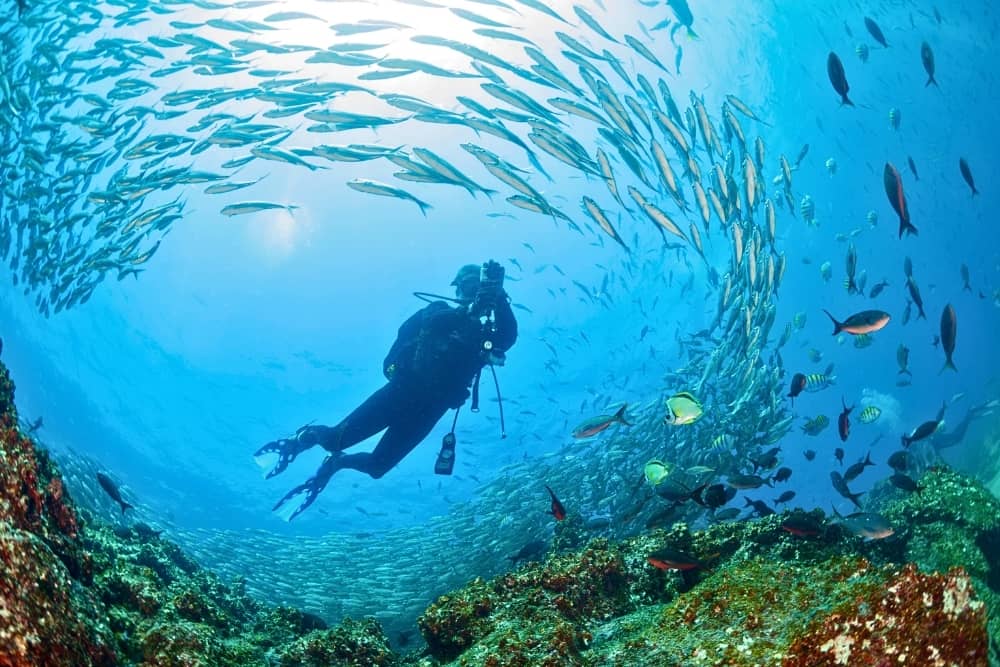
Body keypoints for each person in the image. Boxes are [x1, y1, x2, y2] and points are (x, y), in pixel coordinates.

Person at [255, 261, 517, 520]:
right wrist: (470, 310)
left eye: (478, 287)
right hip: (400, 392)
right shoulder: (438, 309)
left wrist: (500, 298)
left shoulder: (481, 333)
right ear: (458, 289)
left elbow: (507, 338)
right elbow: (435, 322)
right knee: (335, 440)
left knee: (377, 467)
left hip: (430, 410)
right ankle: (301, 438)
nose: (473, 293)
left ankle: (336, 463)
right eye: (468, 286)